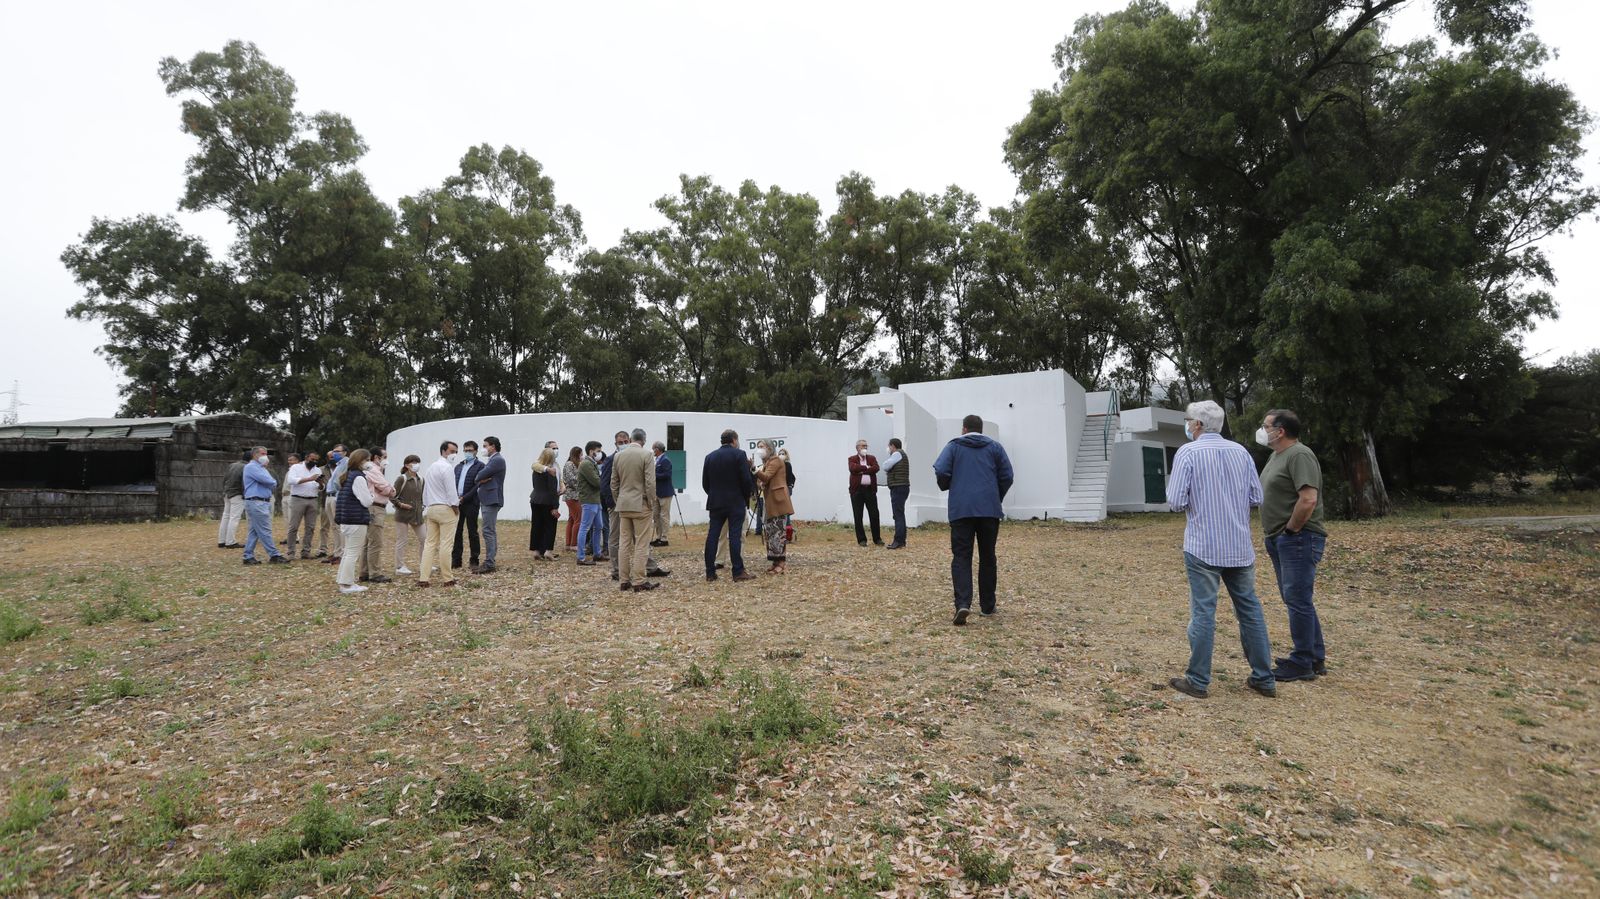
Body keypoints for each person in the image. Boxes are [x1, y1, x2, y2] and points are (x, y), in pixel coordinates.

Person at [1165, 400, 1276, 700]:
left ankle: (1198, 680)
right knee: (1250, 610)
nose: (1188, 425)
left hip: (1203, 546)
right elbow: (1256, 496)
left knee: (1203, 612)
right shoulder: (1241, 452)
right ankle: (1264, 677)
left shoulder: (1188, 453)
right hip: (1239, 546)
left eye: (1189, 421)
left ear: (1198, 425)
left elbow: (1175, 501)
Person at [1257, 409, 1329, 682]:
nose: (1262, 431)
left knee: (1297, 599)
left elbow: (1308, 498)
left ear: (1281, 430)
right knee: (1297, 599)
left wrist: (1290, 530)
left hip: (1297, 538)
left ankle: (1302, 662)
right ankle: (1313, 655)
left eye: (1266, 426)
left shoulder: (1299, 454)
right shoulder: (1277, 456)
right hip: (1281, 538)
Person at [933, 416, 1013, 625]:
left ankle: (963, 604)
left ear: (964, 429)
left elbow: (941, 469)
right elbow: (1008, 475)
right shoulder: (995, 447)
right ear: (981, 429)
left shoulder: (954, 446)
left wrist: (949, 485)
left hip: (961, 510)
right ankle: (987, 605)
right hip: (989, 510)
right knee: (988, 556)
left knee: (961, 556)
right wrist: (996, 495)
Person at [603, 430, 668, 581]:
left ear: (631, 439)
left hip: (624, 504)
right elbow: (650, 483)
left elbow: (613, 484)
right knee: (641, 543)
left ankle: (624, 579)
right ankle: (639, 580)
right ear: (644, 441)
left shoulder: (618, 456)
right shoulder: (646, 455)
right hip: (641, 504)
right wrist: (651, 502)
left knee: (624, 543)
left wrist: (619, 499)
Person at [703, 429, 757, 583]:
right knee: (734, 536)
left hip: (716, 502)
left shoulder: (710, 457)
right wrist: (745, 495)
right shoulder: (739, 454)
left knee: (712, 536)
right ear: (734, 440)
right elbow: (746, 480)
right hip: (735, 502)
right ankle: (738, 571)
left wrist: (714, 494)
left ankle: (710, 572)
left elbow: (705, 483)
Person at [418, 441, 460, 588]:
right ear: (443, 451)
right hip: (445, 508)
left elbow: (425, 490)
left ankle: (424, 578)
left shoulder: (431, 467)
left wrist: (427, 505)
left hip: (432, 507)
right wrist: (455, 507)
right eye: (452, 451)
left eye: (456, 451)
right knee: (446, 544)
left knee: (429, 544)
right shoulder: (447, 468)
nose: (454, 454)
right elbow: (451, 491)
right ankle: (447, 578)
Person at [334, 448, 374, 595]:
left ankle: (343, 581)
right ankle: (347, 584)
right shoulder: (358, 477)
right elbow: (366, 501)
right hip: (356, 520)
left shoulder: (348, 476)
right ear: (360, 461)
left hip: (346, 520)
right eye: (367, 460)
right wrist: (372, 495)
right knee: (352, 553)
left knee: (348, 552)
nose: (369, 463)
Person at [241, 447, 289, 565]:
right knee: (265, 529)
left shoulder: (261, 468)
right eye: (263, 454)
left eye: (266, 454)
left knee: (255, 530)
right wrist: (270, 481)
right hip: (256, 501)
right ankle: (274, 555)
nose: (265, 456)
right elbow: (270, 481)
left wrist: (270, 481)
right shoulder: (252, 467)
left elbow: (273, 482)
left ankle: (248, 556)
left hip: (261, 501)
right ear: (254, 455)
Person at [754, 439, 794, 574]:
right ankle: (775, 561)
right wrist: (760, 480)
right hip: (770, 501)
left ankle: (781, 563)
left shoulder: (776, 460)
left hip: (778, 501)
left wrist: (754, 470)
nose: (759, 449)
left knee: (778, 532)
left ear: (770, 448)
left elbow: (765, 477)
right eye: (758, 446)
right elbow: (761, 482)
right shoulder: (767, 463)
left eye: (762, 446)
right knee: (771, 532)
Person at [357, 448, 394, 584]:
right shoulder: (373, 469)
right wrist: (391, 490)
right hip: (375, 508)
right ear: (376, 457)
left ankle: (364, 572)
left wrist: (386, 489)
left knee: (368, 542)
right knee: (375, 542)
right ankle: (375, 573)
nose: (386, 460)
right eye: (384, 456)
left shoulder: (371, 470)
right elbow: (386, 488)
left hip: (371, 507)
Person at [475, 436, 508, 574]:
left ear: (492, 446)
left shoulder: (497, 460)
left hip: (491, 498)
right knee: (490, 531)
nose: (484, 449)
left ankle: (489, 563)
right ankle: (490, 561)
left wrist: (481, 479)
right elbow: (481, 477)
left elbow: (478, 476)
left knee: (488, 531)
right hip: (489, 498)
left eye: (485, 445)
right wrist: (481, 479)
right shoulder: (493, 460)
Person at [452, 440, 484, 570]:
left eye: (470, 450)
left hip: (471, 502)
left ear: (475, 451)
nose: (467, 452)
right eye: (465, 450)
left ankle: (474, 559)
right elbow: (452, 482)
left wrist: (464, 497)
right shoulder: (458, 466)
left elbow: (478, 485)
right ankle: (456, 560)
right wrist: (455, 498)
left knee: (472, 531)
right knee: (456, 531)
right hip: (457, 503)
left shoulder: (480, 466)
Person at [282, 452, 322, 559]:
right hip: (298, 499)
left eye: (316, 460)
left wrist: (321, 483)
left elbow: (321, 488)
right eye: (312, 459)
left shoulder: (317, 470)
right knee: (293, 526)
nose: (313, 462)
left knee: (310, 527)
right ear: (306, 458)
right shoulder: (296, 467)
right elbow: (291, 481)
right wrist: (309, 479)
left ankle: (306, 552)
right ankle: (291, 552)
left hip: (313, 499)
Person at [848, 438, 884, 547]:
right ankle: (862, 540)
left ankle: (877, 539)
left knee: (874, 514)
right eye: (863, 446)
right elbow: (853, 468)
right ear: (857, 448)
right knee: (858, 516)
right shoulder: (852, 458)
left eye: (866, 446)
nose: (865, 448)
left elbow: (876, 468)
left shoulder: (872, 458)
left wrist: (862, 470)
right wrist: (867, 468)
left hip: (870, 490)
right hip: (857, 491)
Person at [392, 454, 424, 575]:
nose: (416, 465)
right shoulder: (402, 479)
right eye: (413, 462)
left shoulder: (421, 479)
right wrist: (401, 505)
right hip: (402, 515)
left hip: (417, 514)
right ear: (406, 465)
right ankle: (399, 567)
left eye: (417, 462)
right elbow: (392, 496)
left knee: (425, 539)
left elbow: (422, 497)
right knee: (402, 540)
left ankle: (424, 564)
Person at [575, 441, 605, 566]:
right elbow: (597, 482)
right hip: (589, 501)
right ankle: (580, 557)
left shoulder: (591, 463)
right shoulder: (586, 464)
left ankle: (597, 553)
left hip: (595, 500)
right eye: (598, 451)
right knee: (585, 527)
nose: (600, 453)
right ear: (591, 451)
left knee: (598, 526)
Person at [529, 447, 562, 560]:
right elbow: (553, 490)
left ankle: (536, 551)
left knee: (537, 525)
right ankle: (548, 551)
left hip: (535, 499)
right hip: (548, 501)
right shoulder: (551, 471)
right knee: (550, 526)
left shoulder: (537, 469)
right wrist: (555, 507)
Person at [321, 445, 350, 565]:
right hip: (329, 496)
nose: (334, 454)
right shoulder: (338, 465)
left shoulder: (346, 463)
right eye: (333, 451)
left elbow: (341, 481)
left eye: (337, 451)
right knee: (334, 526)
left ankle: (342, 554)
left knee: (339, 527)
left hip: (336, 497)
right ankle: (337, 552)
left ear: (345, 452)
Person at [217, 449, 250, 548]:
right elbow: (245, 482)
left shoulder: (232, 465)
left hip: (227, 493)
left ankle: (222, 540)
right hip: (237, 494)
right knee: (234, 518)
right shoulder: (247, 467)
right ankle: (230, 541)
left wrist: (224, 491)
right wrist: (245, 495)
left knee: (226, 516)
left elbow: (224, 479)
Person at [883, 437, 910, 549]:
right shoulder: (902, 454)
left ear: (893, 446)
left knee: (898, 515)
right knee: (900, 514)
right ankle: (901, 540)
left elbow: (885, 466)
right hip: (902, 486)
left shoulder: (896, 454)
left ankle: (898, 541)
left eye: (889, 446)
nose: (888, 448)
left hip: (898, 487)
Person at [651, 440, 674, 546]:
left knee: (664, 516)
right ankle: (658, 536)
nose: (652, 451)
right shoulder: (657, 460)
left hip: (665, 492)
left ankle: (664, 539)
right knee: (656, 516)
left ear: (658, 449)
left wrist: (654, 475)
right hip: (657, 492)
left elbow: (667, 475)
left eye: (653, 449)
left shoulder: (666, 460)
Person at [561, 446, 584, 553]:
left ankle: (568, 543)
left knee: (572, 519)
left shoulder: (574, 465)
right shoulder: (569, 464)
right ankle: (574, 544)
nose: (581, 457)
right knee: (578, 519)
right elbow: (572, 480)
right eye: (580, 454)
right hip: (572, 495)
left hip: (573, 495)